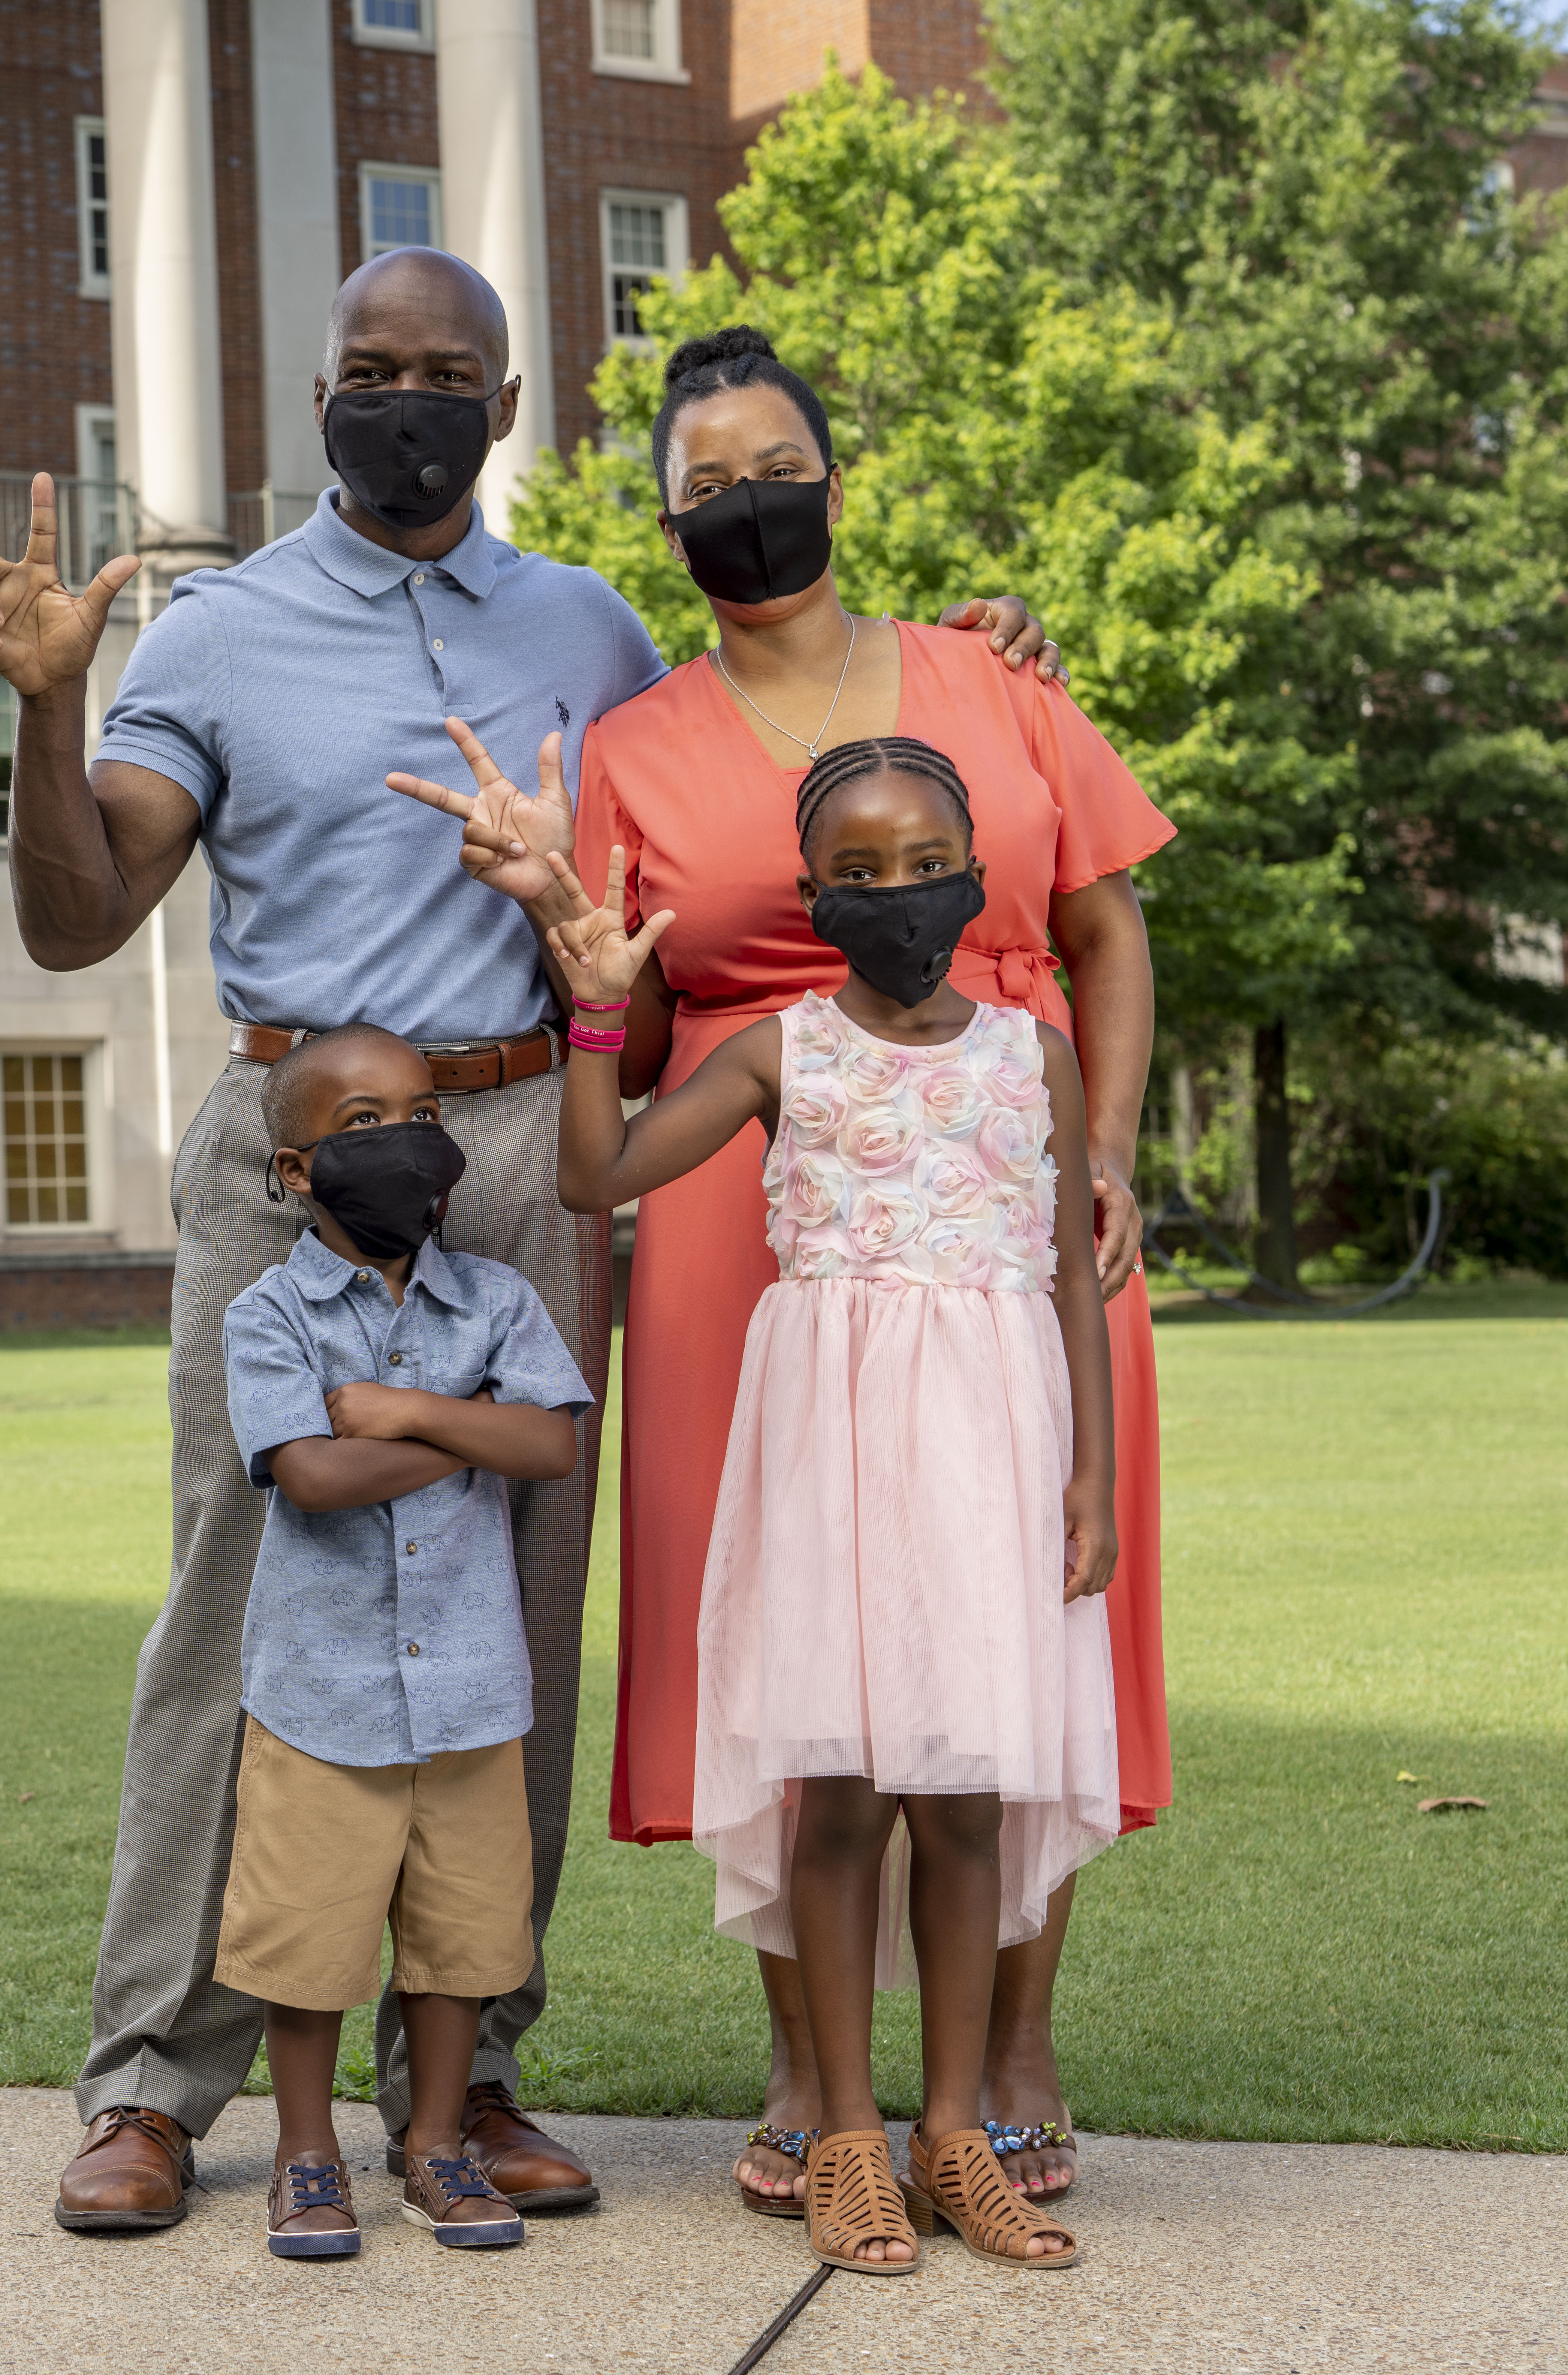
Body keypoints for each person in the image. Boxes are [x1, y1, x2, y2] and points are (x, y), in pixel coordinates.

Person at [0, 250, 1058, 2235]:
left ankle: (468, 2071)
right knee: (238, 1598)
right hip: (292, 1141)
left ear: (507, 401)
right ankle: (152, 2085)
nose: (408, 400)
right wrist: (49, 712)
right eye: (374, 369)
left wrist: (972, 661)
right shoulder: (218, 627)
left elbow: (758, 767)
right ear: (320, 393)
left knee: (516, 1607)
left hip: (535, 1135)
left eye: (446, 372)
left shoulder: (593, 626)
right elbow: (75, 918)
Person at [494, 325, 1167, 2213]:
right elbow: (621, 1052)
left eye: (768, 463)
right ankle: (811, 2067)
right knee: (789, 1637)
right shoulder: (628, 752)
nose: (745, 503)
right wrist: (573, 988)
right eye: (699, 486)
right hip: (755, 1236)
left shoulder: (993, 679)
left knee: (1020, 1617)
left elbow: (1108, 929)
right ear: (663, 527)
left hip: (1012, 1185)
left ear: (836, 477)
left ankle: (1012, 2046)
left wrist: (1100, 1150)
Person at [547, 736, 1114, 2275]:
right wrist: (602, 1008)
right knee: (847, 1793)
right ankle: (849, 2137)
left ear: (978, 878)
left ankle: (955, 2131)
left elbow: (1067, 1271)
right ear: (811, 897)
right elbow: (595, 1178)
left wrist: (1097, 1477)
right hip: (834, 1448)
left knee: (970, 1794)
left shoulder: (1031, 1054)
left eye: (924, 865)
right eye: (856, 875)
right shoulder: (777, 1053)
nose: (895, 896)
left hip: (993, 1441)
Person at [214, 1026, 594, 2258]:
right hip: (322, 1698)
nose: (405, 1142)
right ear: (296, 1168)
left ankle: (435, 2143)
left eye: (424, 1113)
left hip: (473, 1691)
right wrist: (471, 1426)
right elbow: (313, 1477)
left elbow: (552, 1445)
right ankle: (307, 2154)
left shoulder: (498, 1298)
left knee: (462, 1938)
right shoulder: (266, 1314)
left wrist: (404, 1412)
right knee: (310, 1941)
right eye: (362, 1126)